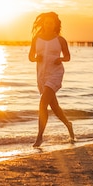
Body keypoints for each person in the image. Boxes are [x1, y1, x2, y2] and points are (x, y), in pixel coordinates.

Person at [28, 12, 75, 147]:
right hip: (42, 74)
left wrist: (60, 59)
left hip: (55, 73)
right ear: (43, 23)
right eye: (46, 22)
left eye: (51, 23)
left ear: (55, 24)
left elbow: (67, 57)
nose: (48, 25)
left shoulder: (60, 40)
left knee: (43, 103)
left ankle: (39, 138)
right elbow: (30, 56)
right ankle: (68, 125)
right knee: (54, 106)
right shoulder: (36, 38)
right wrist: (36, 58)